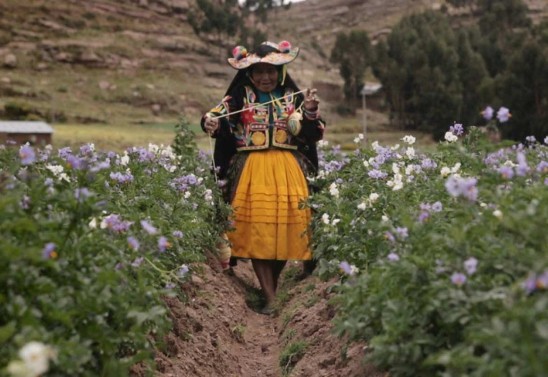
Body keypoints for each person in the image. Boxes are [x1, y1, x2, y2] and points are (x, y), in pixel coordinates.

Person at [201, 40, 325, 314]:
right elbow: (215, 117)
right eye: (259, 71)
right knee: (258, 229)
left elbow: (314, 132)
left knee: (288, 227)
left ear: (280, 71)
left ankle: (273, 284)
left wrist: (311, 111)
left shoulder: (295, 97)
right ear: (249, 73)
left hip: (288, 169)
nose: (265, 77)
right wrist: (209, 122)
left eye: (271, 71)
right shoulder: (238, 98)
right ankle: (270, 297)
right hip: (251, 170)